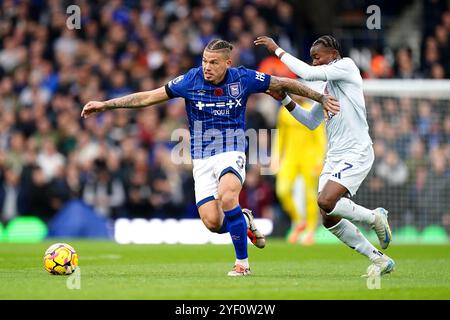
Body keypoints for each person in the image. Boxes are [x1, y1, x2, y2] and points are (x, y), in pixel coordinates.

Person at [81, 39, 339, 276]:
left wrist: (319, 97)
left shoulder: (243, 78)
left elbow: (283, 83)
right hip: (202, 158)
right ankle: (243, 220)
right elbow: (149, 96)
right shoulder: (190, 80)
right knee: (213, 223)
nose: (207, 66)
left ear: (228, 63)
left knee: (228, 196)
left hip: (232, 149)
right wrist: (106, 104)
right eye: (205, 60)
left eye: (213, 62)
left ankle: (242, 264)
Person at [255, 35, 395, 277]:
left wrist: (277, 50)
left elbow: (307, 74)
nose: (315, 62)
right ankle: (379, 259)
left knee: (325, 201)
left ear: (333, 54)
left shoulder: (348, 67)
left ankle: (374, 217)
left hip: (357, 150)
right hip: (335, 155)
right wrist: (286, 99)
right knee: (328, 217)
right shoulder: (327, 89)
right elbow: (310, 121)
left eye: (318, 57)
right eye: (313, 58)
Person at [274, 97, 326, 245]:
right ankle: (299, 222)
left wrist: (319, 160)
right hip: (290, 158)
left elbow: (320, 137)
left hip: (309, 158)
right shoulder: (284, 111)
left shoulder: (313, 109)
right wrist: (275, 157)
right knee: (282, 190)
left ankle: (310, 231)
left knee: (310, 195)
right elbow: (280, 136)